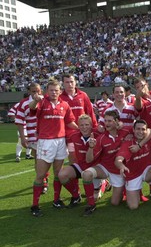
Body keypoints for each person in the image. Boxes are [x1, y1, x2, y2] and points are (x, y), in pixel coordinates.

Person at [29, 79, 78, 217]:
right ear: (47, 91)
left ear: (60, 91)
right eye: (51, 90)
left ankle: (56, 200)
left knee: (58, 173)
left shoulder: (65, 104)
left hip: (60, 141)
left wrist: (83, 129)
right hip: (46, 142)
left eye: (56, 90)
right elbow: (32, 108)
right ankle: (35, 205)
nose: (54, 92)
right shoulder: (42, 102)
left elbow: (70, 122)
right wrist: (36, 100)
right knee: (41, 175)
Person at [81, 110, 134, 216]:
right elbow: (88, 160)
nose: (107, 123)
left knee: (115, 203)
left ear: (117, 121)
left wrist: (132, 135)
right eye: (105, 121)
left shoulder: (126, 131)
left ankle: (109, 185)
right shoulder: (101, 138)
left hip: (119, 171)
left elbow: (146, 130)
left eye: (110, 121)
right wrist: (91, 148)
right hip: (105, 168)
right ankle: (91, 204)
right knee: (86, 174)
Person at [57, 114, 104, 209]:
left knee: (95, 197)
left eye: (87, 125)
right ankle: (76, 195)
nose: (84, 127)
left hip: (96, 167)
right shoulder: (73, 136)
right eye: (81, 125)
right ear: (78, 126)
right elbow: (71, 153)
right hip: (81, 165)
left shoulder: (99, 135)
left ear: (91, 125)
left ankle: (103, 184)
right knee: (62, 175)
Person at [115, 120, 151, 209]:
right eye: (138, 129)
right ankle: (130, 191)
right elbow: (118, 159)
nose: (140, 132)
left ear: (146, 130)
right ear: (133, 130)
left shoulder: (149, 138)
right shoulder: (128, 143)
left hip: (145, 170)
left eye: (143, 129)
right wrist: (121, 166)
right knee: (133, 206)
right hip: (132, 175)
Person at [8, 95, 33, 162]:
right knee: (21, 141)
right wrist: (17, 120)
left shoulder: (35, 103)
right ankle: (18, 156)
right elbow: (11, 112)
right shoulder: (19, 104)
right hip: (23, 127)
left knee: (30, 141)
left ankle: (28, 155)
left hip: (31, 127)